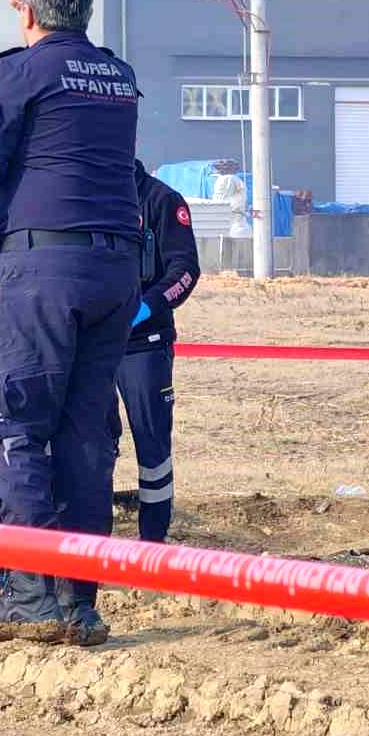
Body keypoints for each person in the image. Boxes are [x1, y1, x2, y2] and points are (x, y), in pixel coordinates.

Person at [0, 0, 142, 647]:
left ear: (28, 12)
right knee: (85, 437)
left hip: (38, 271)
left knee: (12, 427)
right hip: (115, 269)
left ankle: (31, 595)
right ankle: (78, 603)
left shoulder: (18, 72)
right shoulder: (116, 75)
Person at [117, 160, 200, 542]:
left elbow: (185, 269)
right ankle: (90, 538)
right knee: (91, 445)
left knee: (152, 445)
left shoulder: (161, 199)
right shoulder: (80, 196)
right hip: (87, 346)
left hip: (143, 345)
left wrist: (148, 306)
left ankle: (153, 540)